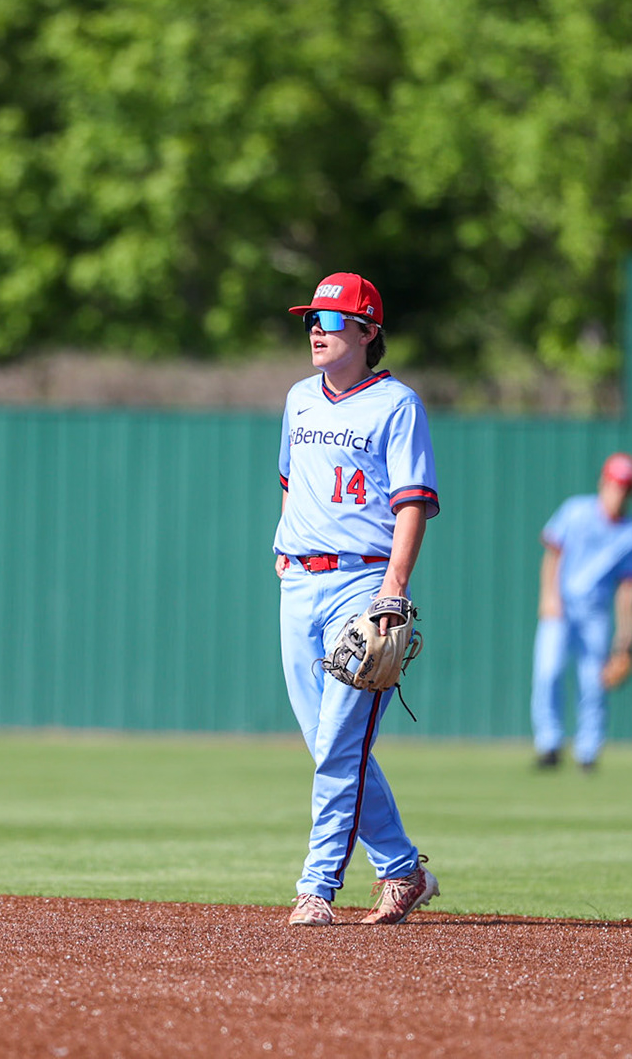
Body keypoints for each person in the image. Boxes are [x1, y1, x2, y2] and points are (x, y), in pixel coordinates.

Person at [273, 272, 442, 926]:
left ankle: (316, 888)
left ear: (368, 332)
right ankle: (403, 871)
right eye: (312, 319)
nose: (318, 329)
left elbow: (412, 504)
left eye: (334, 320)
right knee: (326, 744)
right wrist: (282, 551)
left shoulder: (397, 405)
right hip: (298, 582)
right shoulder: (298, 400)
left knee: (341, 745)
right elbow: (290, 482)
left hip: (360, 583)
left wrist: (393, 590)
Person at [531, 453, 632, 772]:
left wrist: (626, 638)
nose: (618, 492)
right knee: (548, 671)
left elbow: (628, 590)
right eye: (614, 484)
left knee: (594, 681)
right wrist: (549, 596)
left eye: (625, 487)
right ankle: (549, 744)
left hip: (595, 610)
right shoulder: (576, 511)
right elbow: (553, 554)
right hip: (562, 603)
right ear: (603, 482)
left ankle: (588, 751)